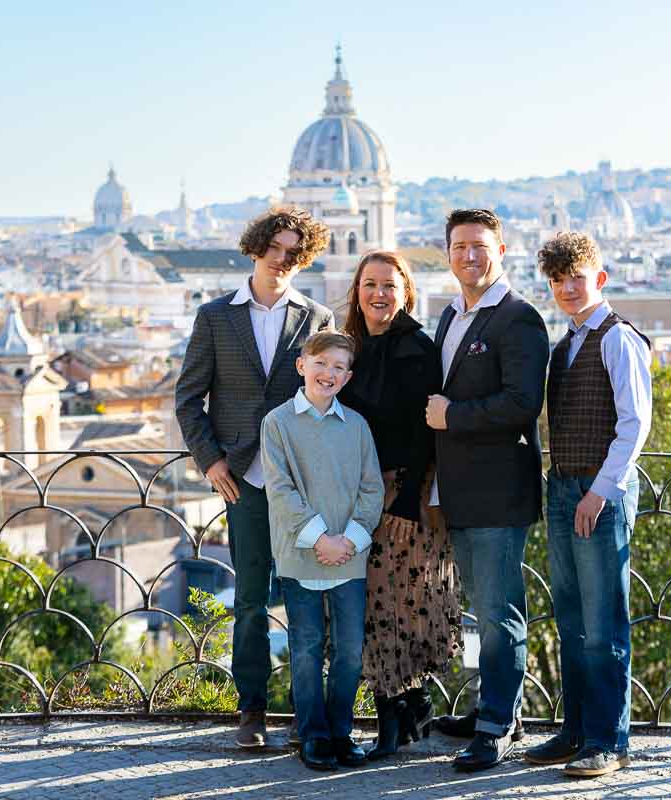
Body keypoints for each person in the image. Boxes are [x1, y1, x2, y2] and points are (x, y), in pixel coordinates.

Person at [175, 206, 334, 749]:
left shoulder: (317, 317)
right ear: (256, 248)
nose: (284, 260)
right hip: (242, 478)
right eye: (277, 249)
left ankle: (309, 712)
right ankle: (252, 709)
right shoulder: (215, 317)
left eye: (296, 253)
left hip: (301, 482)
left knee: (308, 594)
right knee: (249, 598)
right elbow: (188, 398)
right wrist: (211, 461)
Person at [425, 208, 550, 772]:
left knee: (500, 612)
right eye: (459, 247)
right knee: (483, 609)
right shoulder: (450, 316)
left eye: (479, 246)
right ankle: (494, 711)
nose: (469, 256)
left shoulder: (519, 318)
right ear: (447, 253)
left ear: (500, 250)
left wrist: (455, 416)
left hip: (500, 490)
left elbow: (523, 404)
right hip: (460, 490)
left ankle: (498, 724)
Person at [522, 231, 651, 778]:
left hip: (600, 492)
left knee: (603, 622)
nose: (568, 288)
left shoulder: (619, 339)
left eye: (577, 277)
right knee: (570, 617)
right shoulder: (566, 344)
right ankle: (576, 731)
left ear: (599, 278)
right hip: (564, 488)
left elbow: (634, 424)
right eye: (558, 280)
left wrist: (600, 492)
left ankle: (608, 739)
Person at [338, 251, 462, 761]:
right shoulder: (349, 347)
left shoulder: (417, 347)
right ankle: (410, 708)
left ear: (406, 291)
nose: (379, 294)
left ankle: (395, 718)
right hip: (355, 495)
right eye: (370, 284)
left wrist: (409, 499)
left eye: (389, 285)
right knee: (376, 605)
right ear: (357, 290)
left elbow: (425, 432)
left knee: (398, 604)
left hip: (404, 495)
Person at [260, 331, 385, 771]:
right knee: (307, 647)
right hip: (300, 555)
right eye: (321, 363)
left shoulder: (357, 426)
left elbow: (373, 488)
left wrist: (349, 539)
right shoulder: (277, 423)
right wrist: (320, 539)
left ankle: (341, 731)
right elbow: (280, 489)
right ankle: (312, 733)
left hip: (349, 556)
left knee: (350, 650)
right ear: (302, 366)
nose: (328, 373)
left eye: (338, 367)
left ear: (348, 377)